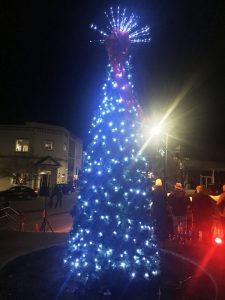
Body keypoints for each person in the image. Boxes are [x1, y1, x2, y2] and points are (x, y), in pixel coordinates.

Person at [151, 178, 169, 246]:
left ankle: (158, 238)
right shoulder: (164, 191)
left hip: (156, 210)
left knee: (157, 224)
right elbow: (166, 200)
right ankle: (163, 239)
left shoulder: (153, 192)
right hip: (163, 210)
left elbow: (152, 200)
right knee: (163, 224)